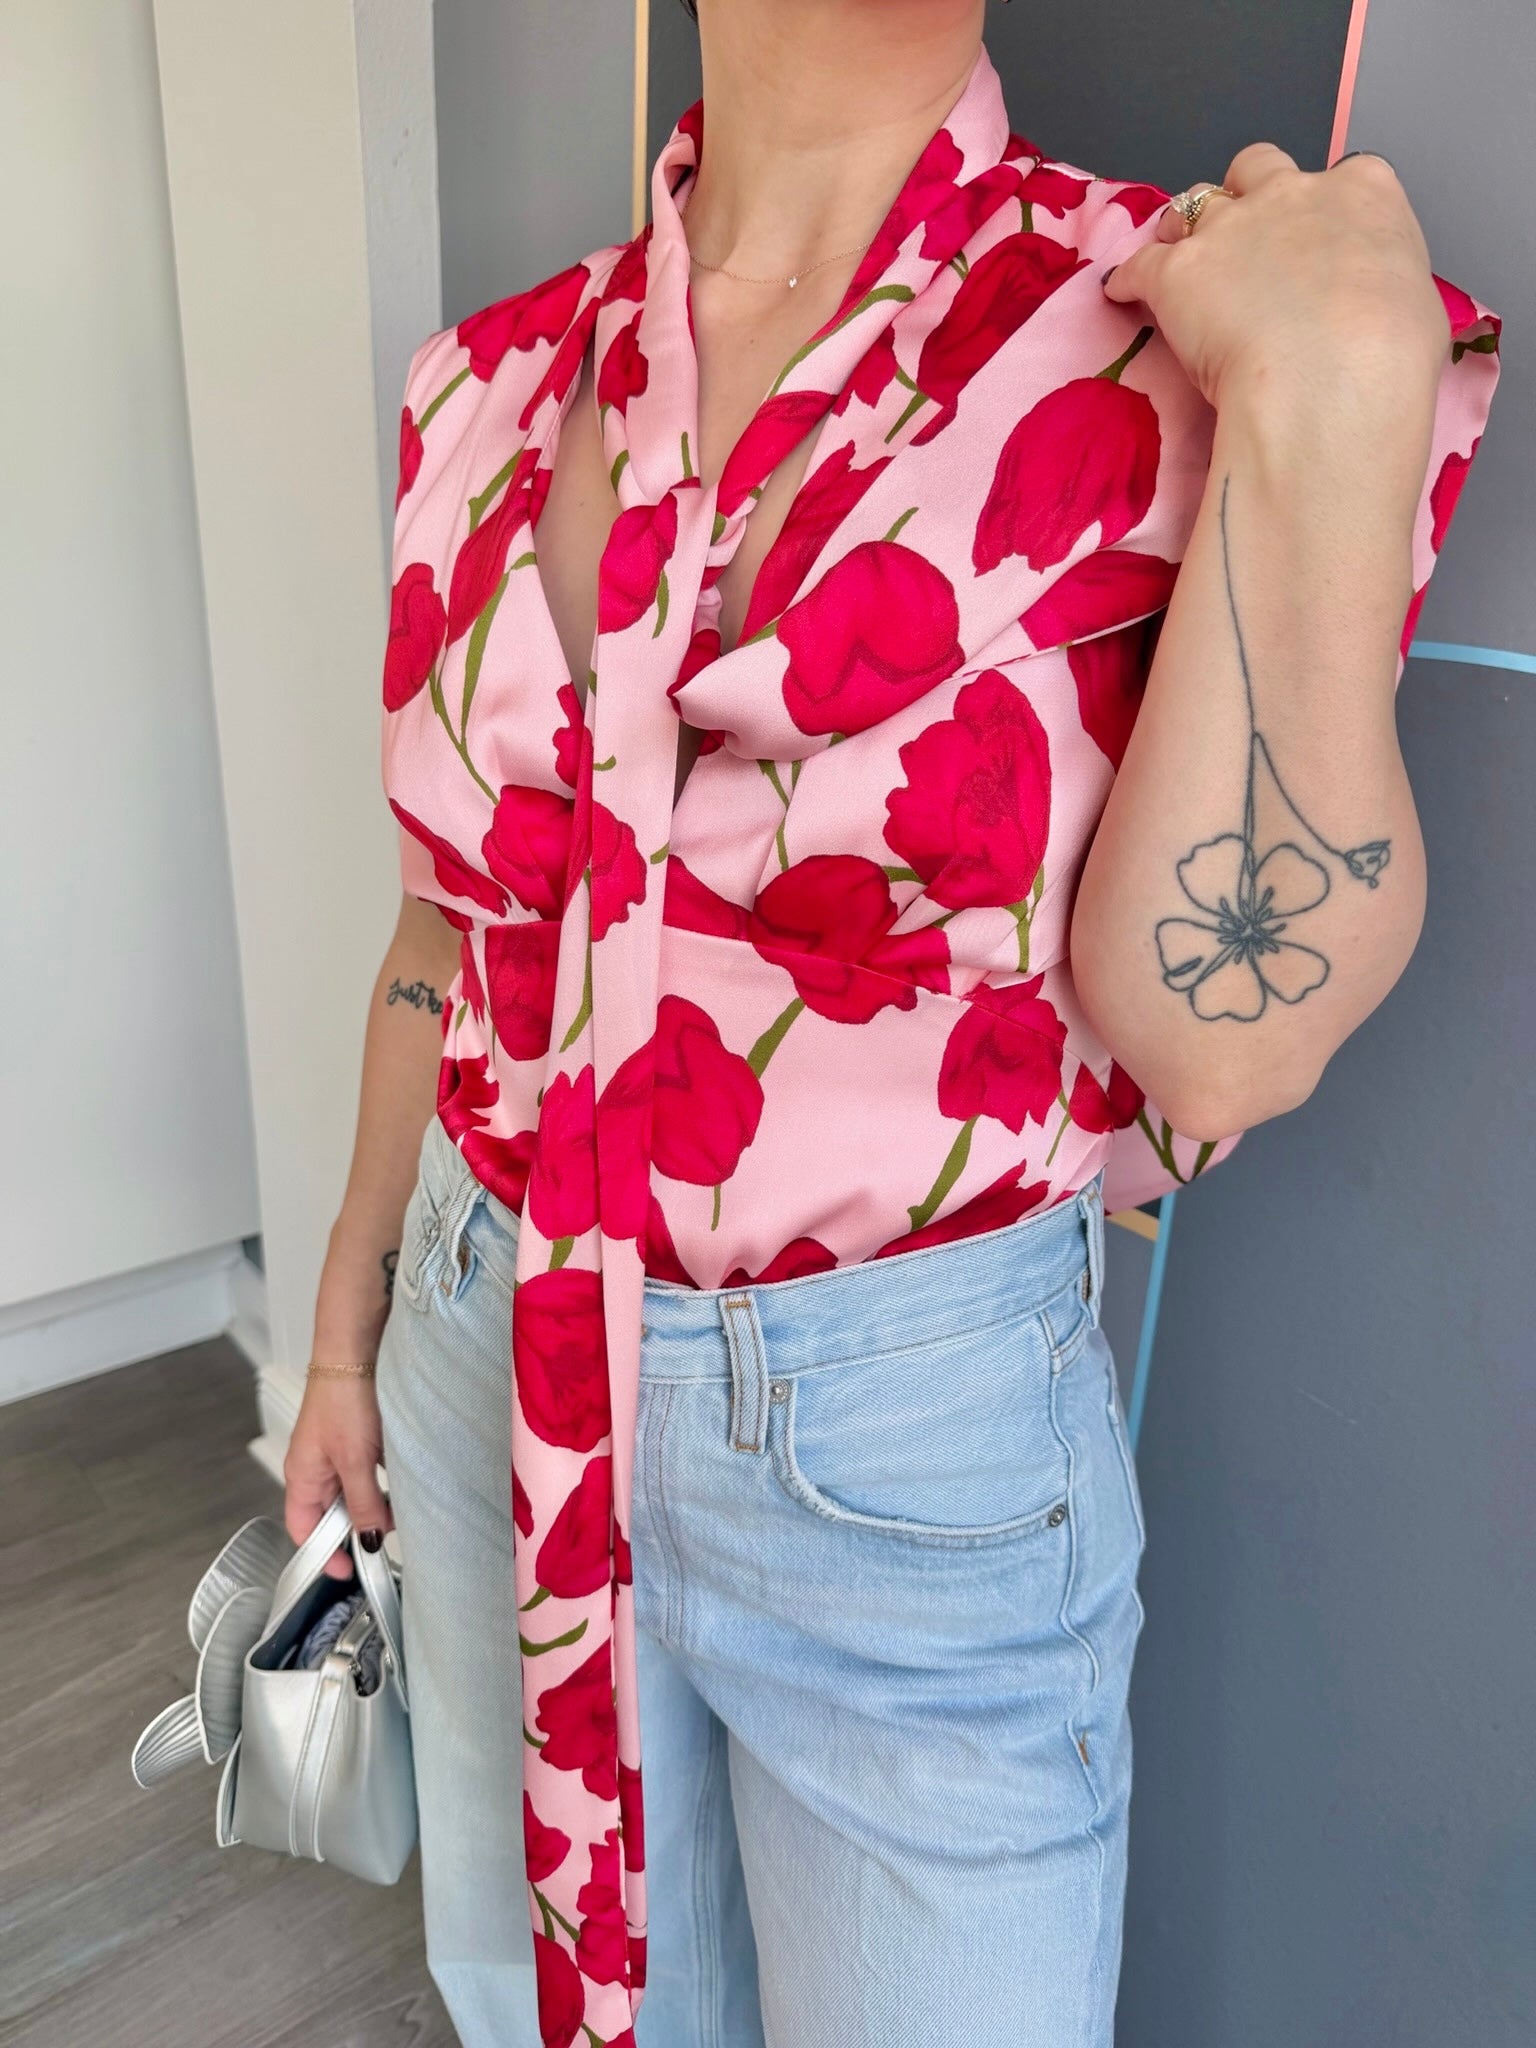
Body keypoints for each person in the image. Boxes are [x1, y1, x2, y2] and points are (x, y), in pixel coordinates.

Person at [283, 3, 1500, 2043]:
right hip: (484, 1335)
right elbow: (453, 921)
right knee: (516, 1996)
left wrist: (1341, 386)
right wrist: (346, 1315)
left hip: (901, 1445)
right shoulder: (484, 385)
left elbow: (1223, 1043)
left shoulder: (1182, 331)